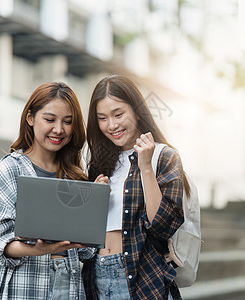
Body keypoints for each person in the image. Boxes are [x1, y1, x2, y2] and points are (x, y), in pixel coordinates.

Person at [0, 82, 107, 299]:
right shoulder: (11, 169)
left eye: (67, 122)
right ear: (30, 118)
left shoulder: (75, 176)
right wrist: (39, 250)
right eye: (50, 119)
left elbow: (86, 251)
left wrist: (95, 207)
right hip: (25, 285)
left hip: (68, 285)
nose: (59, 129)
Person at [83, 75, 191, 300]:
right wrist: (93, 198)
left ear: (136, 110)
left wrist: (146, 169)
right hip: (97, 277)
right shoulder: (99, 163)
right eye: (102, 118)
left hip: (142, 279)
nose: (111, 125)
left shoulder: (164, 157)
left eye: (118, 114)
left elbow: (162, 227)